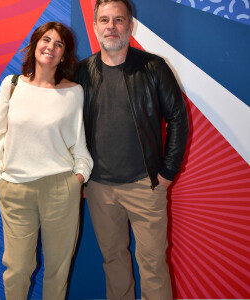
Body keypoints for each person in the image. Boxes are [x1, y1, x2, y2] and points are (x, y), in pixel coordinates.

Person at [75, 0, 189, 299]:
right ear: (96, 25)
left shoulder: (154, 67)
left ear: (130, 25)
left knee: (152, 264)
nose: (111, 26)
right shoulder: (81, 73)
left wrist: (167, 173)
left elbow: (178, 118)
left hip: (145, 185)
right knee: (113, 261)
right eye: (104, 20)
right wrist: (80, 177)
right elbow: (68, 129)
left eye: (118, 20)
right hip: (99, 188)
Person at [0, 22, 93, 299]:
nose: (51, 47)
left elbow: (79, 145)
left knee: (58, 269)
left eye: (59, 44)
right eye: (47, 40)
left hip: (61, 189)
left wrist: (78, 176)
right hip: (16, 189)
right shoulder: (12, 85)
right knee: (18, 268)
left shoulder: (73, 92)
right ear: (35, 44)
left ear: (64, 54)